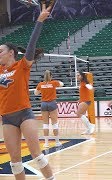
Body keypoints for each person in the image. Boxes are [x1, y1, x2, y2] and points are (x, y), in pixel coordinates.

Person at [0, 5, 54, 180]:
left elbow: (31, 46)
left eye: (1, 51)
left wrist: (39, 21)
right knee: (14, 161)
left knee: (37, 155)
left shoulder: (22, 66)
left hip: (24, 114)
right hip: (7, 117)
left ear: (11, 53)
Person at [34, 70, 64, 148]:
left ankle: (46, 143)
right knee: (54, 123)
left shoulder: (40, 84)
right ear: (51, 76)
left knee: (45, 124)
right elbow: (62, 84)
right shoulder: (54, 83)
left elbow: (35, 93)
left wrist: (42, 89)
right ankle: (57, 142)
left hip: (44, 104)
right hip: (52, 103)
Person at [76, 71, 95, 135]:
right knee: (82, 114)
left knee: (79, 113)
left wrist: (90, 87)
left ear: (82, 76)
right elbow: (83, 92)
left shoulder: (84, 82)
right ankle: (88, 129)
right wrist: (80, 99)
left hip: (86, 100)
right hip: (83, 100)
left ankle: (90, 126)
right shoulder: (81, 83)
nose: (77, 77)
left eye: (78, 75)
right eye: (77, 75)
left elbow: (89, 87)